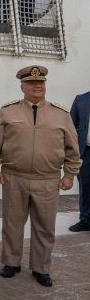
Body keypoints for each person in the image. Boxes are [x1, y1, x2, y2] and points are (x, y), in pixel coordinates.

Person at [0, 66, 81, 287]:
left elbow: (72, 149)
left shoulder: (61, 114)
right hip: (14, 177)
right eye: (31, 83)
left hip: (48, 180)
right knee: (12, 224)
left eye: (41, 83)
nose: (37, 86)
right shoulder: (8, 111)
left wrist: (69, 175)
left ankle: (41, 268)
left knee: (45, 226)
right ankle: (11, 262)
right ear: (22, 86)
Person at [69, 88, 90, 232]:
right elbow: (70, 127)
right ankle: (85, 220)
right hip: (86, 151)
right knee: (86, 186)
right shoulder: (80, 99)